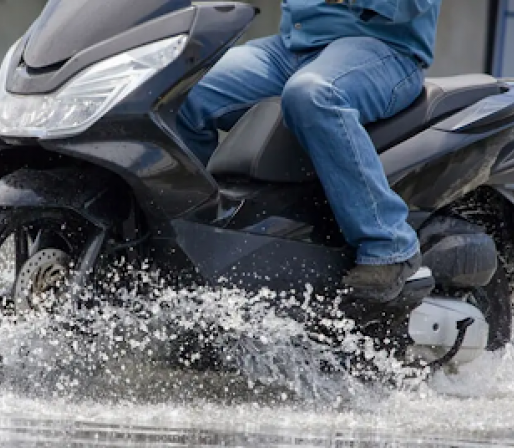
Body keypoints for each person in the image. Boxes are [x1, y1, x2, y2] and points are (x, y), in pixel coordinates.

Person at [177, 0, 441, 304]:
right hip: (291, 48)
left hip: (382, 49)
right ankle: (191, 237)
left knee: (313, 92)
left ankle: (390, 244)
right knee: (183, 89)